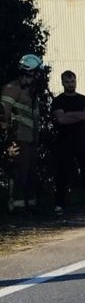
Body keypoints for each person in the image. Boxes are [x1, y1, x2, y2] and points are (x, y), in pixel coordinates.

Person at [51, 71, 85, 215]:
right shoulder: (58, 101)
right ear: (62, 83)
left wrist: (69, 114)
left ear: (76, 81)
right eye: (67, 82)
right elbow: (61, 119)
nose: (70, 84)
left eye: (72, 81)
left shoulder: (84, 99)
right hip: (65, 143)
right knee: (63, 174)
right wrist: (78, 116)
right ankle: (59, 205)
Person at [0, 55, 41, 212]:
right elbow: (3, 114)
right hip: (17, 138)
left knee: (30, 173)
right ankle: (16, 208)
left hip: (30, 139)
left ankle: (29, 206)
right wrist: (8, 142)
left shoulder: (31, 91)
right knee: (19, 173)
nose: (39, 76)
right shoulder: (12, 89)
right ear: (29, 72)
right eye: (37, 72)